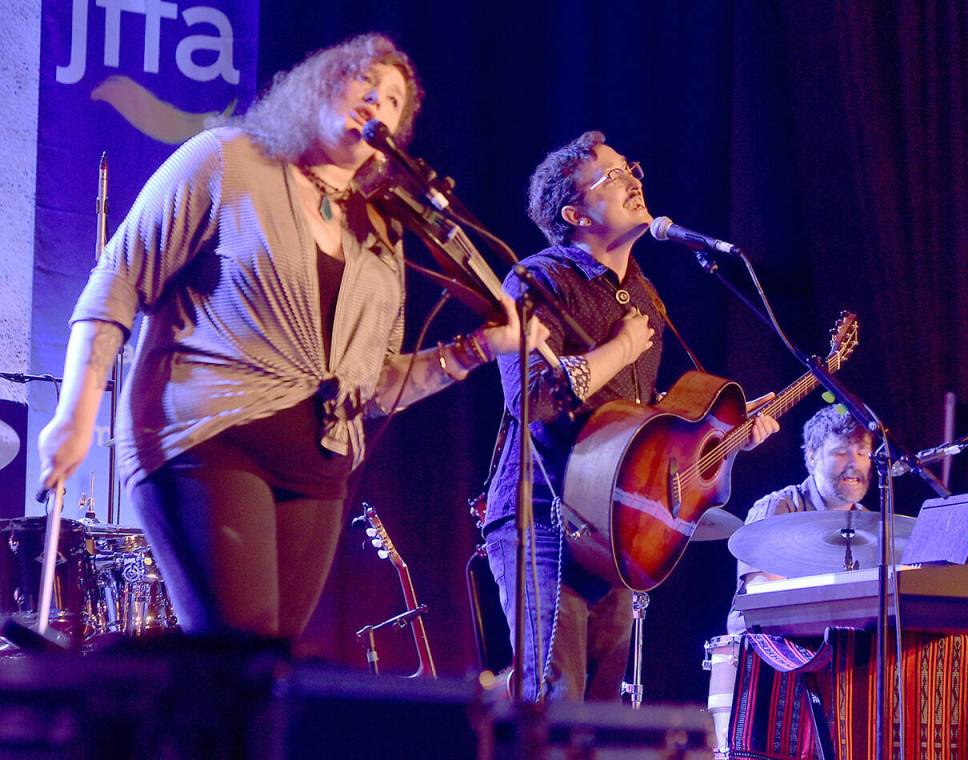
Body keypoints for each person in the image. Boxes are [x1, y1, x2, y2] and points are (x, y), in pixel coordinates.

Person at [36, 33, 546, 641]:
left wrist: (477, 350)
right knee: (239, 653)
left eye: (392, 100)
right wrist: (75, 413)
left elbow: (373, 385)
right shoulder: (227, 158)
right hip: (207, 438)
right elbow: (118, 280)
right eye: (364, 81)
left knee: (268, 670)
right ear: (318, 86)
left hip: (317, 467)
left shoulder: (379, 231)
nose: (376, 102)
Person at [482, 130, 779, 701]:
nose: (633, 181)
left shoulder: (644, 297)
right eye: (613, 175)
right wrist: (619, 349)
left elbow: (634, 419)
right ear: (575, 215)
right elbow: (531, 400)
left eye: (630, 169)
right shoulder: (538, 279)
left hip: (613, 527)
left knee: (598, 717)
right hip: (543, 517)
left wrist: (727, 432)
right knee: (553, 702)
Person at [727, 404, 873, 633]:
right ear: (812, 456)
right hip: (771, 645)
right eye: (840, 452)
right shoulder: (779, 509)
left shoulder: (871, 524)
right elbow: (765, 602)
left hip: (839, 643)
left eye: (862, 453)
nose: (854, 463)